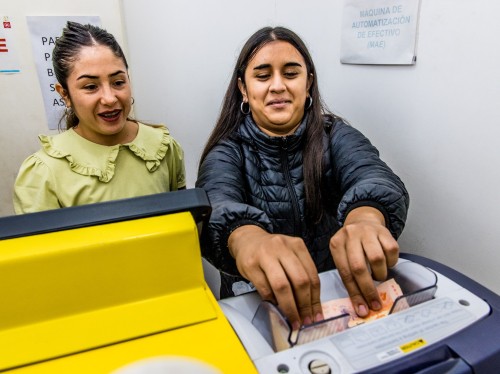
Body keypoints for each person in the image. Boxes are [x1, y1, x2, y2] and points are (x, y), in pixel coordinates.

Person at [196, 26, 409, 331]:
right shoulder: (227, 151)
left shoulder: (335, 134)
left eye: (291, 73)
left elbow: (373, 175)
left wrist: (366, 218)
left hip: (339, 300)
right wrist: (248, 239)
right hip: (258, 310)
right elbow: (216, 202)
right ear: (243, 88)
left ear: (308, 83)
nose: (278, 86)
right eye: (263, 75)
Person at [13, 22, 185, 214]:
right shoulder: (44, 171)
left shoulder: (162, 147)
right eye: (90, 87)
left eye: (118, 82)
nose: (110, 98)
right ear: (65, 95)